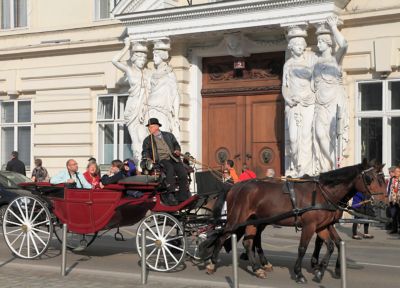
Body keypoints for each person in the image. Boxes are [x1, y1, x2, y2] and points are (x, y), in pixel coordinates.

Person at [313, 16, 349, 173]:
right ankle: (327, 165)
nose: (318, 44)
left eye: (321, 42)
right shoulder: (315, 63)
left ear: (328, 44)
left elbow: (344, 45)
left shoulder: (335, 60)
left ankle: (332, 168)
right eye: (318, 41)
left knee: (333, 137)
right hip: (319, 104)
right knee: (320, 135)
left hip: (333, 104)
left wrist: (334, 28)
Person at [112, 38, 150, 164]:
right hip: (133, 106)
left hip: (144, 106)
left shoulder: (147, 73)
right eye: (140, 59)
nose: (142, 61)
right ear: (134, 59)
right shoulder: (130, 70)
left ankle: (144, 161)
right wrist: (126, 46)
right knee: (135, 138)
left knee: (143, 136)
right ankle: (138, 162)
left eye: (144, 59)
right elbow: (114, 60)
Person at [282, 35, 315, 176]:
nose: (300, 47)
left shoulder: (310, 63)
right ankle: (295, 165)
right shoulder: (288, 64)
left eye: (302, 44)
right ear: (291, 47)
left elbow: (314, 84)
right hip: (293, 105)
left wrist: (310, 96)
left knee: (307, 135)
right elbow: (284, 86)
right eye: (297, 45)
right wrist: (288, 99)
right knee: (294, 139)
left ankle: (305, 169)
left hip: (307, 103)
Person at [141, 118, 188, 205]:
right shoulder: (147, 140)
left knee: (183, 172)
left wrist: (177, 150)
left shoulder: (169, 135)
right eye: (149, 127)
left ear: (157, 126)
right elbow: (145, 152)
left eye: (151, 127)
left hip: (173, 158)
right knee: (170, 169)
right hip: (161, 160)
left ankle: (183, 196)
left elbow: (176, 144)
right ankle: (171, 193)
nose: (149, 129)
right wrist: (148, 159)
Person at [145, 39, 180, 139]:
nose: (154, 58)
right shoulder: (152, 74)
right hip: (150, 107)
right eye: (153, 55)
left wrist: (176, 116)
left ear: (162, 57)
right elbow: (148, 92)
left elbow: (175, 95)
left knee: (163, 136)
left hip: (162, 110)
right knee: (149, 137)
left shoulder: (169, 74)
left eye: (156, 56)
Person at [388, 166, 400, 234]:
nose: (396, 173)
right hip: (393, 200)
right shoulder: (392, 179)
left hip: (399, 200)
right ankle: (394, 229)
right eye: (395, 171)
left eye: (397, 171)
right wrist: (389, 198)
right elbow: (389, 190)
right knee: (393, 215)